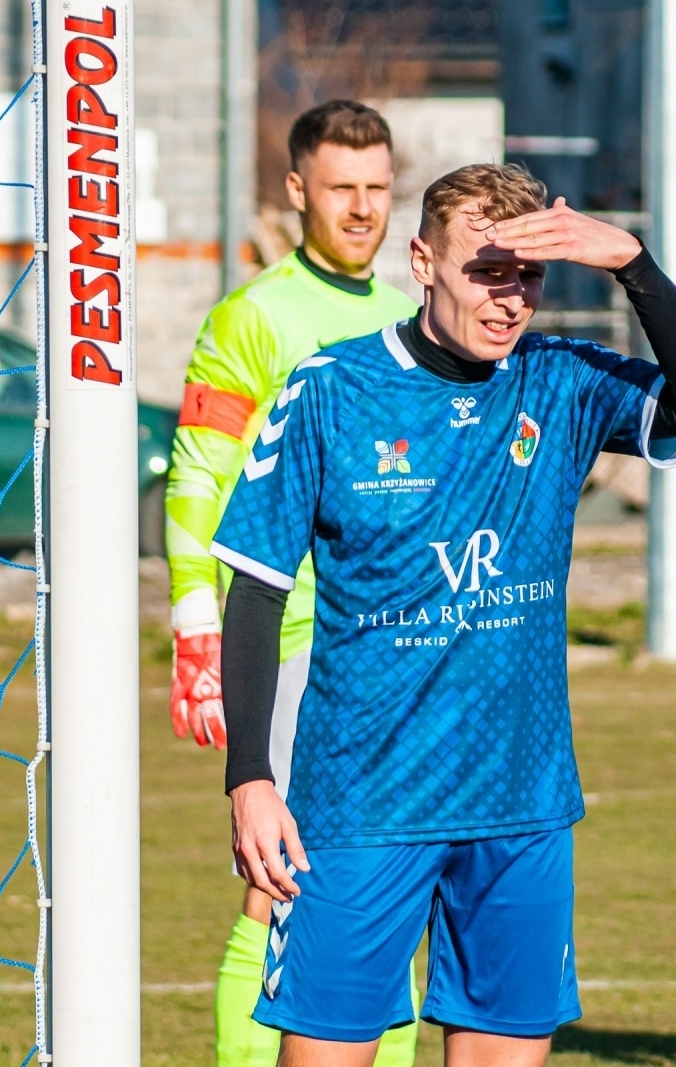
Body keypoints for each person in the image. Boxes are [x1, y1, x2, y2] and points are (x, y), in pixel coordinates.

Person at [211, 163, 676, 1066]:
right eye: (485, 270)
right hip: (359, 803)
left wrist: (632, 265)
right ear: (422, 261)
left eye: (527, 276)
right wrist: (250, 777)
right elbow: (256, 588)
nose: (509, 300)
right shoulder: (330, 389)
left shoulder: (559, 380)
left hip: (519, 805)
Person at [164, 99, 420, 1067]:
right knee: (281, 882)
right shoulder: (253, 315)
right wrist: (194, 624)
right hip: (293, 638)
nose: (361, 209)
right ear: (296, 189)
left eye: (377, 189)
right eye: (341, 187)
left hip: (393, 643)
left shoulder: (405, 316)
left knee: (390, 881)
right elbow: (197, 471)